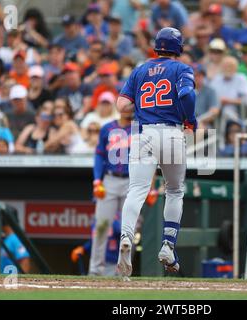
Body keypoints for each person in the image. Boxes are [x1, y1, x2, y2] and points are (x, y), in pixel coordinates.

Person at [116, 27, 197, 276]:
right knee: (174, 190)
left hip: (143, 133)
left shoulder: (140, 69)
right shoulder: (182, 69)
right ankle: (168, 245)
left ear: (156, 46)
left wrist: (143, 105)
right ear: (178, 48)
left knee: (137, 189)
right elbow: (186, 95)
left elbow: (122, 106)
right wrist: (190, 119)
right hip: (171, 132)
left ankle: (127, 235)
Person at [88, 110, 134, 276]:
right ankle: (95, 271)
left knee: (128, 230)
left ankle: (123, 271)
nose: (130, 109)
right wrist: (97, 180)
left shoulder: (141, 128)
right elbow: (99, 155)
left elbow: (149, 158)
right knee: (101, 226)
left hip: (132, 181)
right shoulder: (107, 128)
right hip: (110, 179)